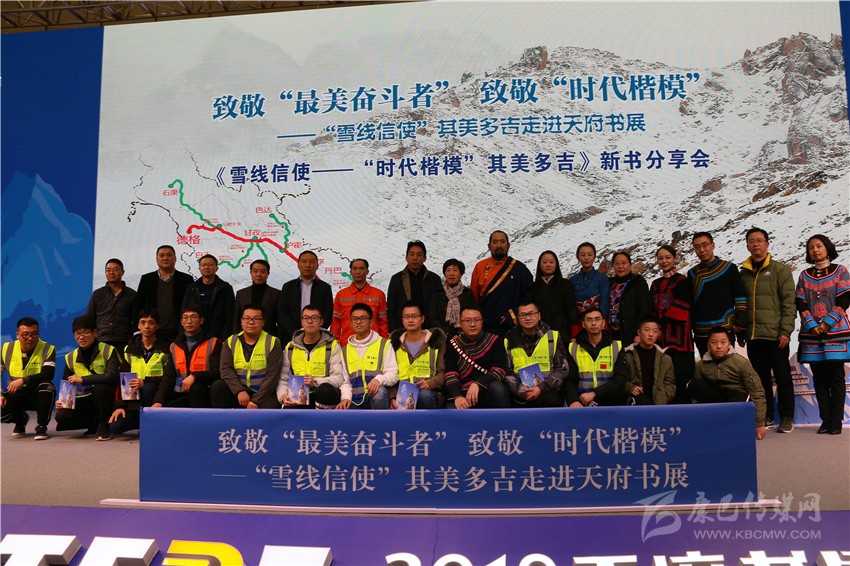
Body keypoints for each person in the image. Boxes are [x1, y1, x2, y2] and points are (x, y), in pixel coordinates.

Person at [740, 228, 797, 432]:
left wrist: (785, 331)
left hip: (775, 335)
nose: (755, 244)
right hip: (753, 336)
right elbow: (740, 305)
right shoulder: (743, 274)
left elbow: (789, 303)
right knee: (760, 380)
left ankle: (787, 417)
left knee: (783, 378)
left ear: (767, 244)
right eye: (751, 241)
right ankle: (767, 415)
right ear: (747, 245)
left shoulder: (780, 270)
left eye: (759, 240)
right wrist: (741, 331)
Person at [795, 234, 849, 435]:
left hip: (835, 331)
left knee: (836, 378)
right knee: (819, 379)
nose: (815, 250)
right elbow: (800, 302)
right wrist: (811, 325)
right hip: (812, 334)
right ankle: (825, 420)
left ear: (827, 248)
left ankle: (836, 421)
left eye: (819, 246)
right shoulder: (804, 275)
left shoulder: (841, 271)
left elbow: (845, 299)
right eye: (811, 247)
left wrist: (827, 323)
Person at [688, 327, 767, 440]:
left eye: (723, 342)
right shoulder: (701, 365)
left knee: (742, 397)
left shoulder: (741, 362)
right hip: (717, 398)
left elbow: (757, 392)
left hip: (737, 397)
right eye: (714, 342)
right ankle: (708, 424)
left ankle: (733, 426)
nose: (719, 346)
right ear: (708, 345)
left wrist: (759, 423)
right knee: (694, 384)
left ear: (729, 344)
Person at [109, 309, 176, 436]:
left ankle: (152, 424)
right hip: (134, 401)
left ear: (157, 326)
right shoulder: (129, 349)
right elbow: (122, 380)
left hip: (157, 398)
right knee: (115, 427)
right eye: (143, 322)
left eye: (151, 322)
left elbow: (169, 379)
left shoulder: (167, 349)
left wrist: (145, 382)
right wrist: (120, 406)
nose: (147, 326)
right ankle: (142, 422)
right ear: (138, 326)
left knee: (149, 388)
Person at [54, 316, 119, 440]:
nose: (81, 337)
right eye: (77, 333)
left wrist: (83, 379)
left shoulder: (108, 350)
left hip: (107, 398)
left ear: (95, 332)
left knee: (101, 387)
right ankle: (93, 424)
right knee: (62, 416)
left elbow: (111, 376)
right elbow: (67, 385)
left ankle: (104, 424)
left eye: (85, 332)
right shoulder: (70, 357)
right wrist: (62, 401)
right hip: (86, 398)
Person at [212, 304, 283, 409]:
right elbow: (226, 370)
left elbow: (273, 375)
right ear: (241, 321)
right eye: (247, 318)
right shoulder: (231, 341)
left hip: (263, 393)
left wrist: (256, 400)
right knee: (218, 386)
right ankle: (222, 420)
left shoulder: (273, 342)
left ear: (263, 322)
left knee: (272, 406)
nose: (251, 322)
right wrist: (239, 391)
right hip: (239, 392)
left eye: (256, 319)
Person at [688, 232, 747, 356]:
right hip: (701, 332)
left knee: (728, 365)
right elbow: (691, 302)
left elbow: (740, 298)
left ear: (713, 245)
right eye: (697, 247)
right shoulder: (692, 274)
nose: (701, 250)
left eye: (705, 245)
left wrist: (740, 324)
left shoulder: (729, 268)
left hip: (725, 330)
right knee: (706, 365)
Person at [504, 299, 571, 407]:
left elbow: (562, 369)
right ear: (518, 318)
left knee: (550, 399)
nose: (528, 318)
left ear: (539, 316)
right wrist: (522, 390)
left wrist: (540, 387)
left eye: (531, 314)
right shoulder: (510, 339)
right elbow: (507, 372)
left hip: (547, 390)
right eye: (523, 315)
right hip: (519, 392)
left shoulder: (552, 337)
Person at [650, 245, 695, 404]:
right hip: (661, 339)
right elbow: (651, 308)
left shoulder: (682, 281)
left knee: (682, 376)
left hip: (680, 338)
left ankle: (684, 411)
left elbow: (681, 308)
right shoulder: (655, 284)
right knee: (664, 377)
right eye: (661, 258)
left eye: (668, 257)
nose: (664, 261)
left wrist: (658, 324)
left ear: (674, 258)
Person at [278, 305, 343, 409]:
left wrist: (315, 382)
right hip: (299, 396)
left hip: (322, 396)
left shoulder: (333, 346)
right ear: (301, 321)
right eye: (306, 318)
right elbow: (283, 379)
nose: (310, 321)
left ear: (321, 322)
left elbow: (339, 378)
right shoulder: (290, 347)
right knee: (288, 410)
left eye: (314, 318)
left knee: (325, 390)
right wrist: (283, 396)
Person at [443, 306, 510, 409]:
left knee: (498, 388)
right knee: (451, 409)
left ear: (482, 322)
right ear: (460, 323)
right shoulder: (453, 345)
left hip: (487, 389)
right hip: (463, 393)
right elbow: (451, 375)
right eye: (467, 320)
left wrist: (477, 384)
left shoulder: (495, 340)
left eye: (477, 320)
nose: (472, 324)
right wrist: (457, 397)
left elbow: (499, 371)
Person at [469, 230, 533, 336]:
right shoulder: (480, 267)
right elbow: (473, 299)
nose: (499, 245)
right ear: (489, 246)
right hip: (485, 329)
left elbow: (529, 297)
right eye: (495, 242)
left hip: (513, 329)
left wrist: (513, 313)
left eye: (502, 242)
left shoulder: (520, 269)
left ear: (508, 245)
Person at [1, 317, 56, 440]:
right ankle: (20, 420)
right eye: (25, 335)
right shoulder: (6, 348)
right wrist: (0, 395)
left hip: (37, 393)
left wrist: (23, 380)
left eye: (34, 334)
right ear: (17, 335)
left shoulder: (48, 348)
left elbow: (48, 374)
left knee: (47, 387)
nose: (30, 338)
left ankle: (41, 426)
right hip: (17, 393)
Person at [337, 303, 398, 410]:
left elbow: (393, 374)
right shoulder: (345, 350)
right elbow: (345, 381)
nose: (358, 322)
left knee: (379, 393)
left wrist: (379, 380)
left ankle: (381, 421)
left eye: (363, 318)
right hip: (354, 401)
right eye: (355, 319)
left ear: (371, 322)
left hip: (375, 397)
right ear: (350, 323)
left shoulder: (384, 344)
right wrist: (346, 398)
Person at [159, 305, 221, 408]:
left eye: (193, 317)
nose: (189, 321)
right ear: (181, 322)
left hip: (204, 392)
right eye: (185, 318)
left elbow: (217, 373)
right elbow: (168, 377)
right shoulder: (175, 346)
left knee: (196, 388)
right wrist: (158, 401)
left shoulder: (213, 343)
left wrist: (195, 376)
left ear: (201, 320)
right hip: (181, 393)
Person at [133, 245, 194, 343]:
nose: (165, 258)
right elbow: (138, 305)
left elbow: (191, 305)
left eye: (169, 255)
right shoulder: (147, 279)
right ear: (157, 259)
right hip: (152, 331)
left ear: (175, 258)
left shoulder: (186, 279)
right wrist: (137, 330)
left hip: (179, 331)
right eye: (162, 255)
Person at [390, 301, 446, 409]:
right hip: (402, 395)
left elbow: (443, 373)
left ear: (422, 319)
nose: (410, 320)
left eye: (414, 316)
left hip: (429, 392)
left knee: (424, 395)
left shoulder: (435, 342)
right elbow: (390, 373)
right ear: (402, 320)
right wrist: (392, 397)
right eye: (407, 317)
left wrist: (430, 383)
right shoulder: (394, 344)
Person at [565, 308, 626, 407]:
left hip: (609, 400)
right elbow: (569, 380)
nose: (593, 323)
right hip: (582, 400)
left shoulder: (616, 346)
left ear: (603, 323)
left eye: (597, 319)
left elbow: (620, 379)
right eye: (589, 320)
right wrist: (573, 400)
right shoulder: (573, 348)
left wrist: (594, 393)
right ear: (583, 324)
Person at [613, 316, 676, 405]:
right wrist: (630, 388)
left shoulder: (665, 359)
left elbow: (670, 383)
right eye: (647, 330)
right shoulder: (627, 355)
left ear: (659, 333)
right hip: (636, 402)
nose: (651, 334)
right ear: (639, 332)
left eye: (655, 331)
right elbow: (620, 379)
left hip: (659, 403)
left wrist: (664, 396)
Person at [278, 250, 333, 343]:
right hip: (291, 337)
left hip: (317, 337)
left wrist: (316, 331)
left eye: (311, 262)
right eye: (304, 261)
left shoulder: (325, 288)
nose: (307, 265)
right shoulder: (288, 287)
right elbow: (282, 312)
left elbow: (328, 313)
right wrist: (295, 333)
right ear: (298, 265)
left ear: (317, 265)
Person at [387, 241, 443, 332]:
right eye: (412, 254)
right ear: (406, 257)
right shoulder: (396, 279)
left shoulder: (434, 279)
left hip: (429, 329)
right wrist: (394, 331)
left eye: (419, 255)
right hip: (403, 330)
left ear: (424, 258)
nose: (415, 258)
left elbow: (439, 308)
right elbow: (391, 308)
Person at [331, 258, 388, 345]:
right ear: (350, 272)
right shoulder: (341, 295)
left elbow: (383, 322)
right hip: (347, 343)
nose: (358, 272)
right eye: (355, 269)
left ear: (367, 272)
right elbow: (336, 322)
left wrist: (384, 343)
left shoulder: (378, 294)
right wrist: (335, 344)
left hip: (373, 343)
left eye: (361, 268)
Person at [86, 258, 137, 352]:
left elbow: (136, 320)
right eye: (108, 270)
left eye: (115, 269)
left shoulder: (132, 295)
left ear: (123, 272)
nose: (111, 273)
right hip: (101, 341)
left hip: (124, 341)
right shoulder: (97, 294)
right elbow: (90, 319)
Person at [182, 254, 235, 340]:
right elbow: (184, 312)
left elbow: (229, 316)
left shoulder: (225, 288)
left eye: (210, 265)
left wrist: (226, 338)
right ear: (199, 268)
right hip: (195, 334)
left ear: (216, 268)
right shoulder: (191, 288)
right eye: (203, 265)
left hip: (218, 334)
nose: (207, 267)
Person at [533, 250, 579, 340]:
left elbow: (571, 310)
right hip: (539, 333)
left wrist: (574, 335)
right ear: (539, 265)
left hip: (563, 333)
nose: (548, 265)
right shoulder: (533, 287)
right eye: (544, 262)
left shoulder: (565, 284)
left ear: (556, 264)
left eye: (551, 262)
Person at [608, 251, 651, 345]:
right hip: (611, 335)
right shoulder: (609, 284)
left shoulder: (638, 284)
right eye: (617, 264)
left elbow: (645, 311)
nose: (620, 266)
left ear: (630, 265)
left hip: (631, 334)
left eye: (624, 263)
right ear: (613, 266)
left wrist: (639, 333)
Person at [429, 258, 477, 339]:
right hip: (441, 336)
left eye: (455, 270)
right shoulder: (437, 293)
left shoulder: (467, 293)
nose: (451, 274)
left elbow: (472, 315)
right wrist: (448, 334)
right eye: (448, 270)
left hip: (464, 336)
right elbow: (432, 317)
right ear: (444, 274)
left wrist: (460, 333)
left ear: (461, 274)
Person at [234, 259, 280, 337]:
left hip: (269, 336)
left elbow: (280, 320)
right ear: (251, 273)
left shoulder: (276, 294)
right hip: (244, 336)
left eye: (262, 271)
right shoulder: (241, 294)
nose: (258, 274)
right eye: (255, 271)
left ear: (268, 274)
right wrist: (235, 337)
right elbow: (236, 320)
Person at [569, 242, 610, 319]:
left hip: (597, 321)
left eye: (590, 255)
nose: (586, 258)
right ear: (578, 257)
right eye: (583, 255)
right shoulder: (573, 280)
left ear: (594, 257)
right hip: (579, 322)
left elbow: (604, 302)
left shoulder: (602, 278)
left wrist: (599, 320)